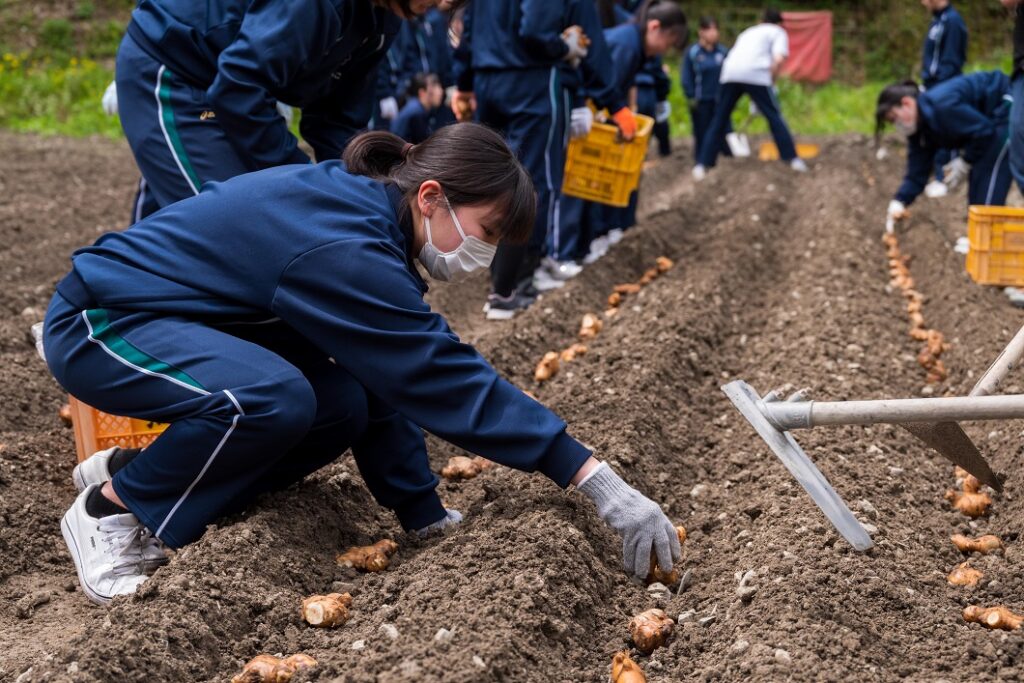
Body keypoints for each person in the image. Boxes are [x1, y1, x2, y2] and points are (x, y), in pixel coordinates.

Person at [45, 124, 681, 605]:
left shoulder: (368, 223)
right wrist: (594, 478)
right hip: (106, 320)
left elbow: (383, 379)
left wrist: (422, 515)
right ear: (431, 196)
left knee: (339, 405)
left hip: (191, 325)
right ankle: (111, 508)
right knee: (271, 399)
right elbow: (434, 373)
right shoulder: (346, 246)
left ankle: (137, 468)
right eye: (485, 230)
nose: (484, 253)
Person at [113, 0, 458, 222]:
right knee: (223, 223)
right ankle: (107, 315)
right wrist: (302, 179)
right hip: (177, 69)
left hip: (231, 83)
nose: (445, 3)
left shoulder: (384, 19)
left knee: (202, 198)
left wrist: (353, 191)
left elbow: (336, 118)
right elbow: (240, 87)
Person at [452, 0, 609, 318]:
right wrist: (564, 47)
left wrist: (465, 84)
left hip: (488, 80)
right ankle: (515, 286)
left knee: (495, 180)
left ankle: (499, 283)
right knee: (536, 180)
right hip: (531, 81)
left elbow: (467, 31)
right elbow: (536, 30)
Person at [877, 72, 1013, 233]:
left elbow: (983, 132)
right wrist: (900, 200)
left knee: (988, 171)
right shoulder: (919, 131)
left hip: (1006, 106)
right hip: (988, 126)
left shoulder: (942, 107)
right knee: (977, 175)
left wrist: (965, 161)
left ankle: (986, 237)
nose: (896, 125)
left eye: (894, 118)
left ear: (906, 103)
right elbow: (917, 173)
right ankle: (979, 236)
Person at [693, 8, 806, 180]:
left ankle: (703, 164)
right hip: (756, 74)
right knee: (774, 116)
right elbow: (778, 59)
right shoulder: (778, 32)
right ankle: (792, 158)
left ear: (761, 20)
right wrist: (771, 84)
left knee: (719, 118)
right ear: (780, 23)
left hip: (729, 73)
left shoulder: (749, 31)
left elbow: (740, 56)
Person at [920, 0, 969, 198]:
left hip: (945, 86)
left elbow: (951, 59)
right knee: (934, 131)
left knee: (947, 131)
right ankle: (937, 174)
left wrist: (942, 85)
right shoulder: (936, 21)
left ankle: (945, 179)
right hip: (932, 85)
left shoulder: (953, 21)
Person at [682, 16, 731, 162]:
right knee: (702, 132)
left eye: (716, 29)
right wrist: (690, 96)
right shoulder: (693, 53)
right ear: (701, 32)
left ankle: (727, 161)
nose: (714, 33)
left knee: (724, 131)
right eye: (710, 29)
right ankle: (702, 161)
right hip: (701, 100)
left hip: (720, 99)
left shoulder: (723, 52)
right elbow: (686, 76)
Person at [392, 73, 444, 143]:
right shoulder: (417, 113)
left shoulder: (415, 106)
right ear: (422, 93)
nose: (440, 92)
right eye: (434, 87)